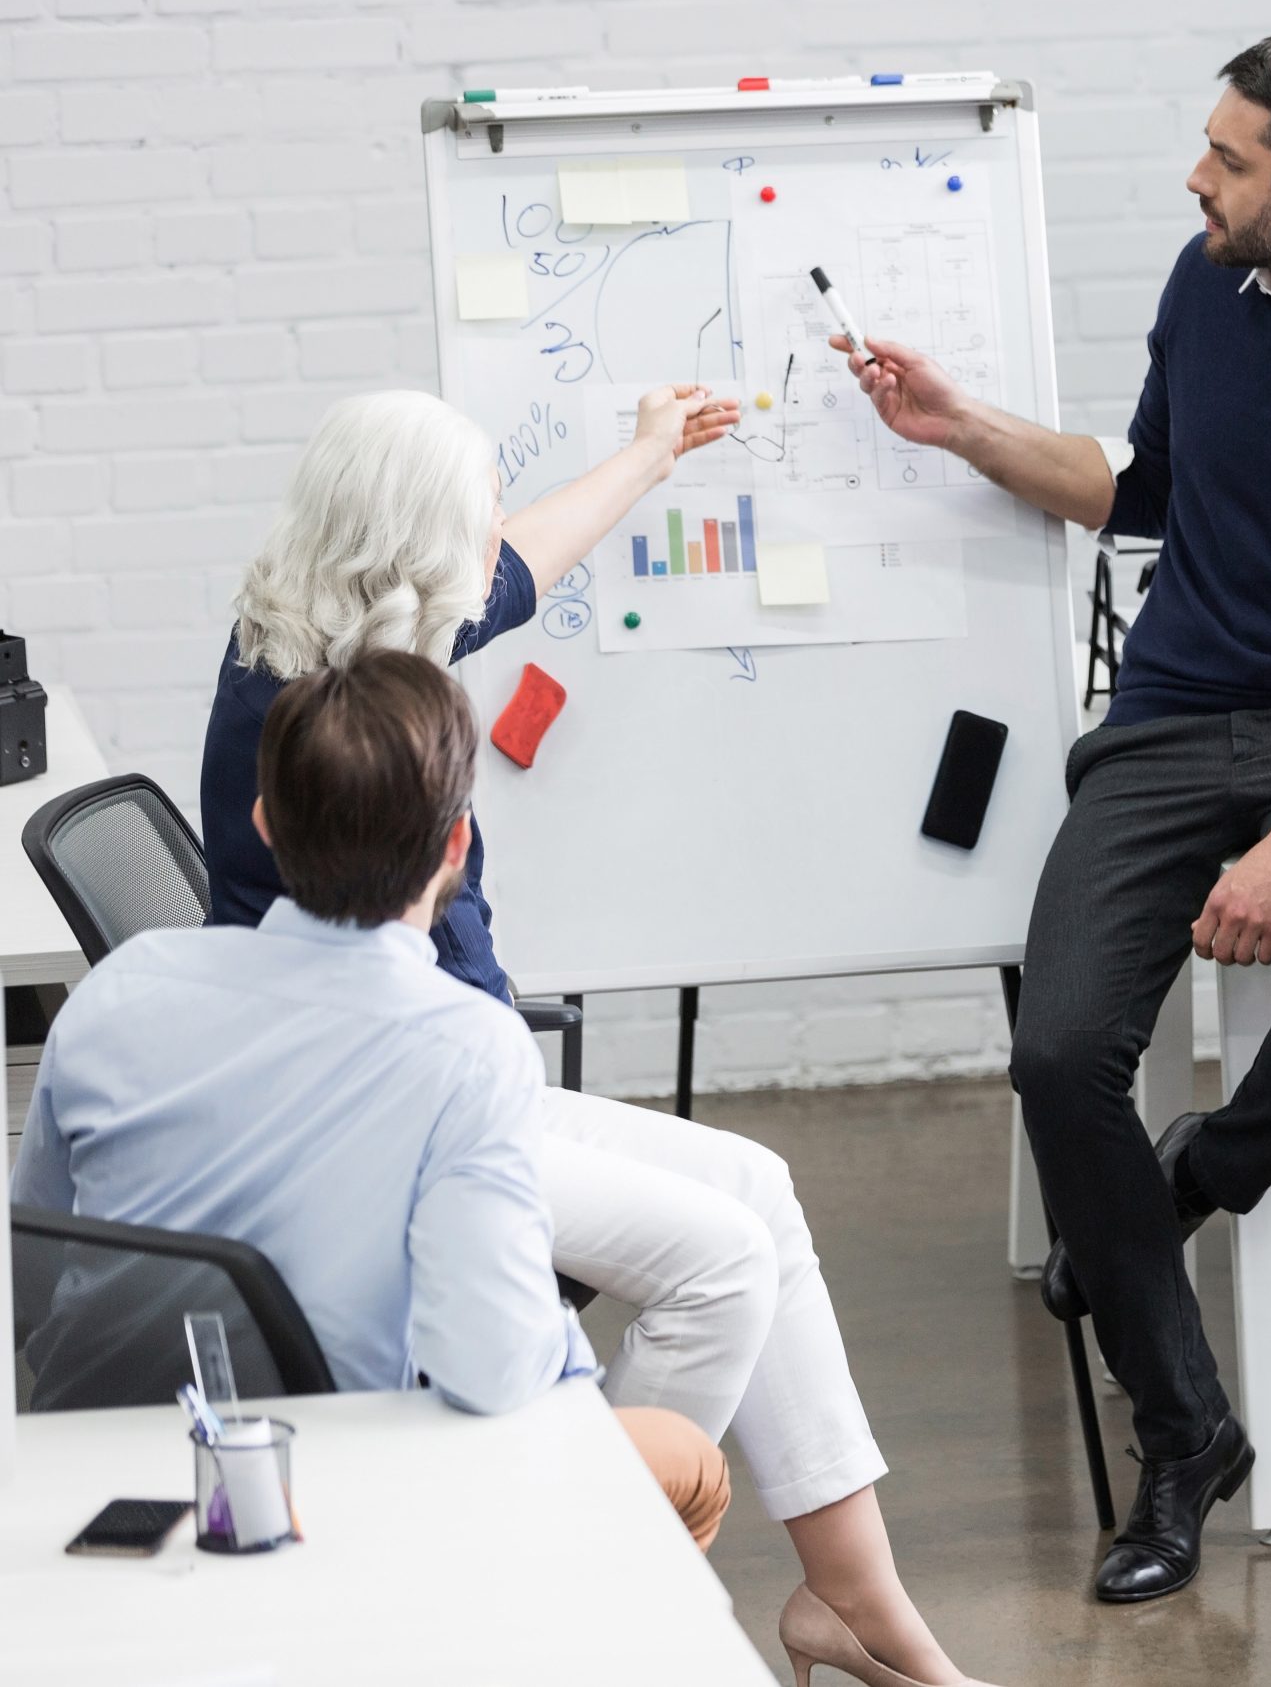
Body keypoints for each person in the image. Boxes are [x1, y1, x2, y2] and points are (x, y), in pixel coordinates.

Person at [836, 34, 1271, 1602]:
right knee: (1057, 1050)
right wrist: (961, 425)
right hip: (1165, 721)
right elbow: (1152, 484)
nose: (1193, 179)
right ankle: (1188, 1433)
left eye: (1226, 160)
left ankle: (1193, 1175)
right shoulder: (1210, 283)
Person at [198, 391, 995, 1687]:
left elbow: (520, 562)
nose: (492, 548)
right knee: (721, 1262)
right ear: (411, 551)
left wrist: (649, 453)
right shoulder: (319, 724)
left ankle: (854, 1605)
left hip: (456, 1075)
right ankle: (569, 1590)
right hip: (393, 1118)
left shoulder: (351, 638)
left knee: (759, 1188)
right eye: (471, 526)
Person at [14, 653, 732, 1553]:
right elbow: (489, 1370)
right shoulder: (470, 1048)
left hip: (88, 1461)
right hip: (325, 1483)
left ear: (265, 823)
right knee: (684, 1457)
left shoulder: (120, 988)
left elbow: (31, 1278)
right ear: (456, 846)